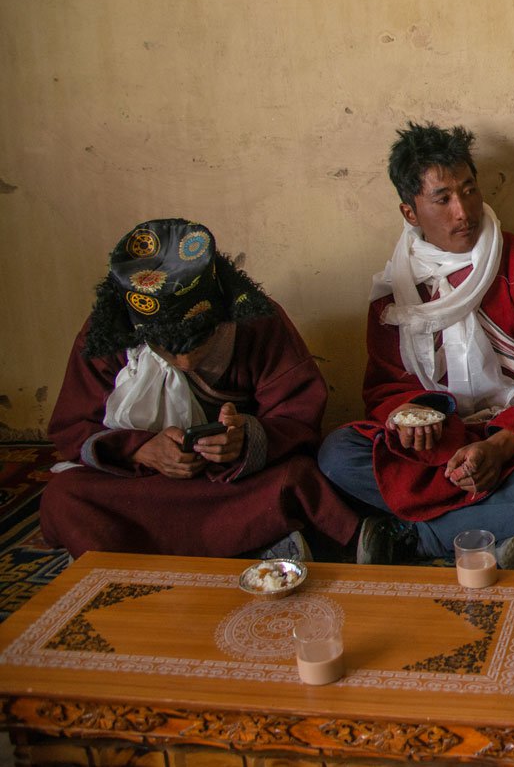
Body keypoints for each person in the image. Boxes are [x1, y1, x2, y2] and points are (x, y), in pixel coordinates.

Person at [318, 122, 514, 567]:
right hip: (439, 449)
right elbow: (384, 389)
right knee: (337, 455)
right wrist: (410, 416)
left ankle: (417, 536)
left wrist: (501, 446)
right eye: (443, 199)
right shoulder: (396, 292)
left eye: (469, 190)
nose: (463, 211)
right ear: (410, 212)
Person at [42, 218, 359, 560]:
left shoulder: (258, 321)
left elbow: (298, 415)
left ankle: (202, 543)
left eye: (200, 344)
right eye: (168, 351)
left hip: (226, 483)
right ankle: (253, 543)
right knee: (64, 496)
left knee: (297, 480)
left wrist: (244, 439)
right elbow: (72, 429)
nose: (185, 364)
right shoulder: (105, 334)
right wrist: (141, 450)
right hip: (142, 484)